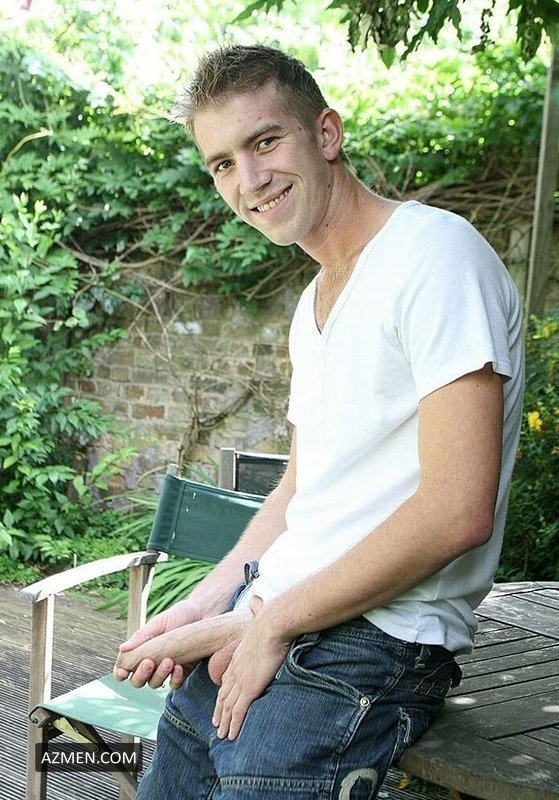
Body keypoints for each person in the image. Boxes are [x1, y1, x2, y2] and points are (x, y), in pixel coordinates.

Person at [114, 44, 524, 799]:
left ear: (325, 134)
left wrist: (272, 623)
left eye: (265, 141)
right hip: (275, 610)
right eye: (222, 163)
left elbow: (457, 511)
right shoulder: (313, 305)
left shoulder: (434, 256)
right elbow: (299, 491)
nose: (249, 179)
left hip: (377, 638)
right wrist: (206, 603)